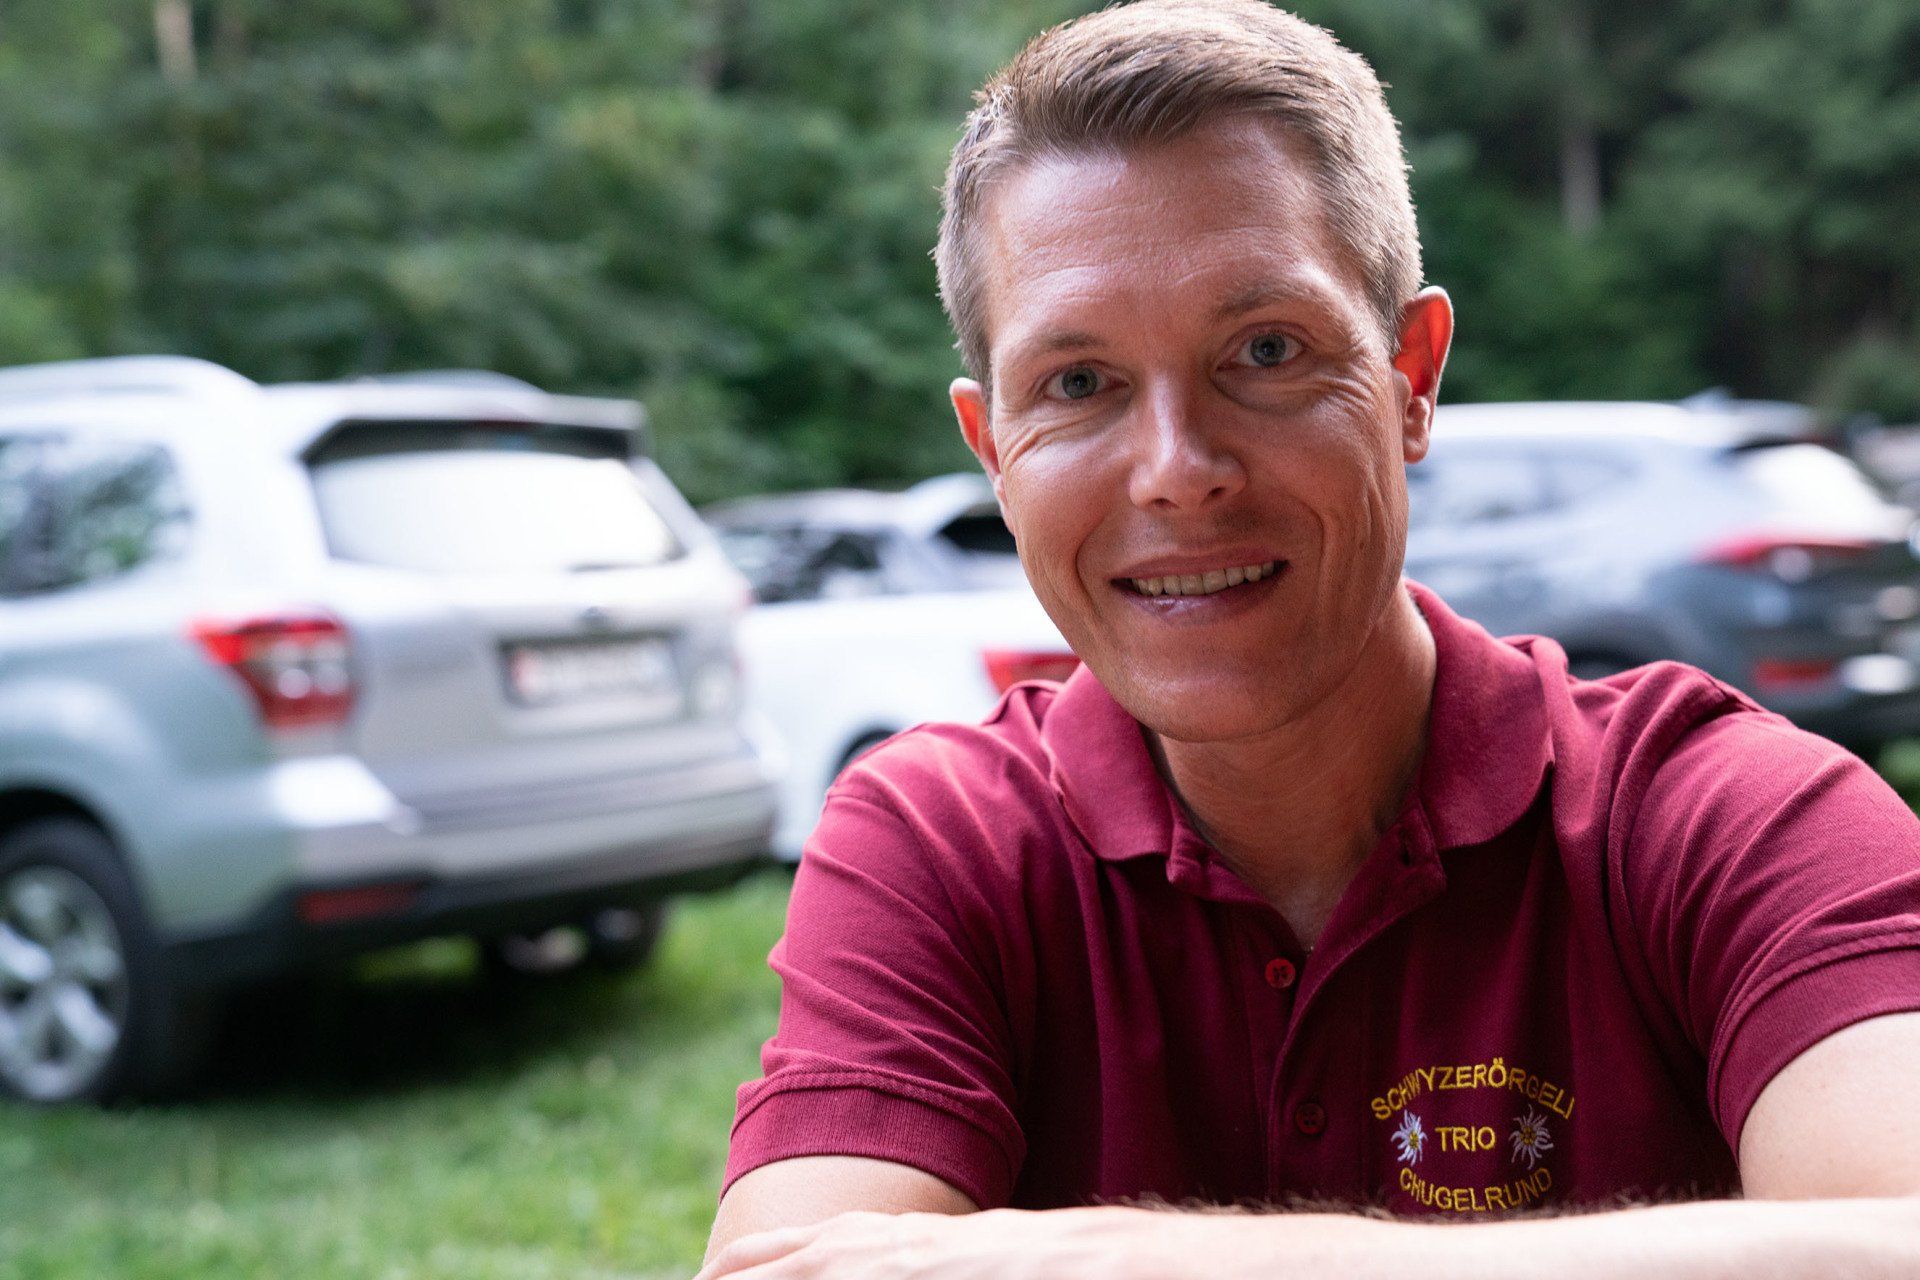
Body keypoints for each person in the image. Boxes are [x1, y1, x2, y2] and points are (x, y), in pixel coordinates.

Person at [699, 2, 1920, 1274]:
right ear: (994, 449)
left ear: (1412, 377)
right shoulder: (940, 844)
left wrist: (1107, 1259)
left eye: (1266, 350)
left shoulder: (1724, 818)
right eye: (1079, 384)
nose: (1177, 470)